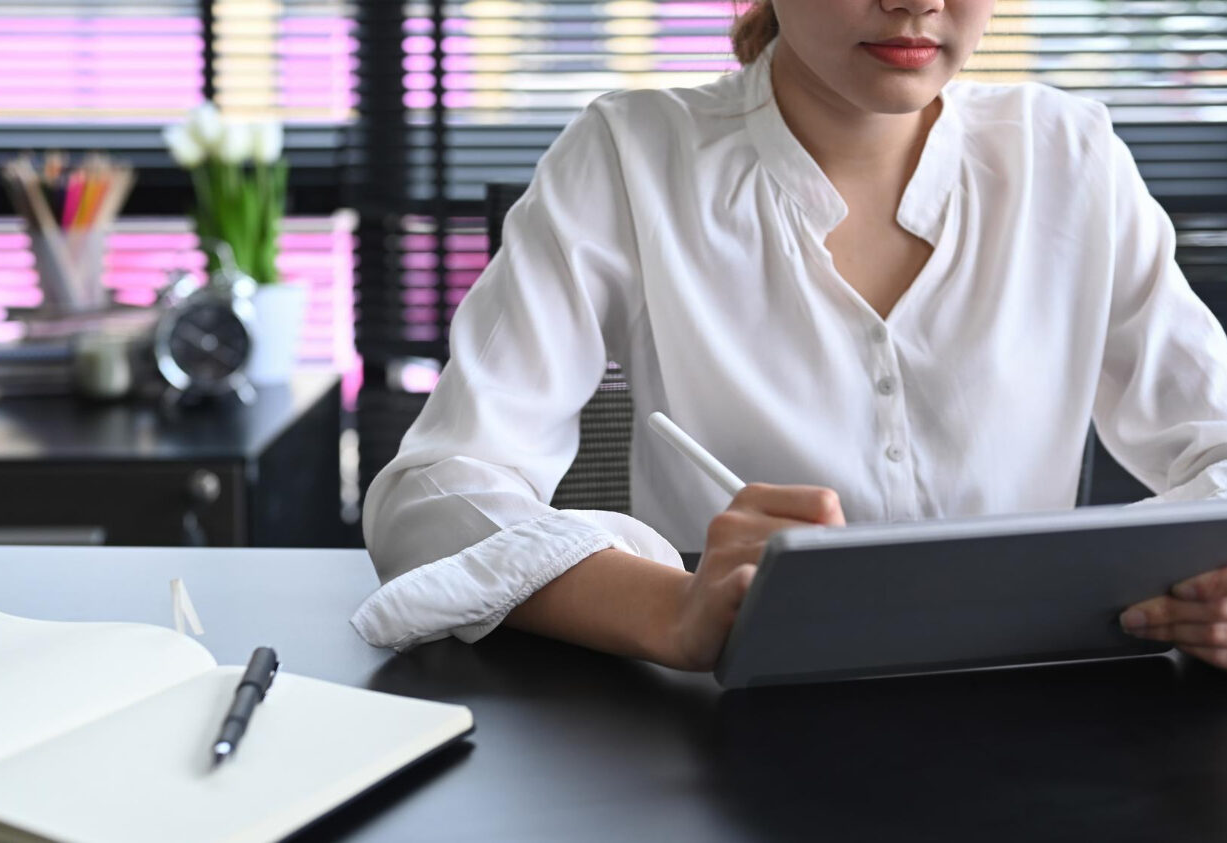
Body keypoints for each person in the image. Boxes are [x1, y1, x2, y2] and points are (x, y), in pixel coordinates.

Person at [351, 0, 1227, 673]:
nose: (915, 1)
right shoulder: (630, 155)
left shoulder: (1068, 156)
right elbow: (432, 496)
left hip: (1043, 721)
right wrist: (669, 606)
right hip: (723, 734)